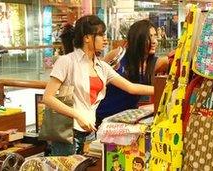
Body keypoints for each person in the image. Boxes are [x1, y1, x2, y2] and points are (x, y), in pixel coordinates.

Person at [43, 15, 154, 155]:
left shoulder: (102, 66)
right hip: (68, 130)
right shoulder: (66, 61)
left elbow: (131, 87)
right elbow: (48, 97)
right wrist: (77, 115)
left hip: (90, 130)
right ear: (87, 37)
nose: (105, 39)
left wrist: (164, 89)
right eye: (101, 35)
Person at [96, 19, 173, 126]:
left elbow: (179, 59)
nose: (154, 41)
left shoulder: (156, 63)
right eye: (149, 37)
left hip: (126, 121)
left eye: (155, 36)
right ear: (138, 38)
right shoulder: (118, 55)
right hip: (100, 119)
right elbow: (95, 76)